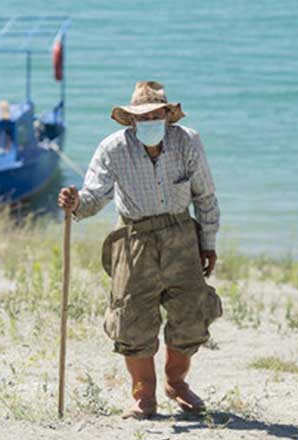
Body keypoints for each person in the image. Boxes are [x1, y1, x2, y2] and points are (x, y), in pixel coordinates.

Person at [58, 80, 223, 419]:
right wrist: (75, 203)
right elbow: (94, 196)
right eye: (141, 116)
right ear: (131, 120)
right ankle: (143, 396)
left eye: (155, 114)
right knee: (131, 320)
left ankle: (176, 383)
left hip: (181, 235)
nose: (149, 120)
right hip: (134, 240)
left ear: (167, 114)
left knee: (192, 314)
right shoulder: (112, 148)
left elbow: (204, 196)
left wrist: (208, 243)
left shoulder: (187, 141)